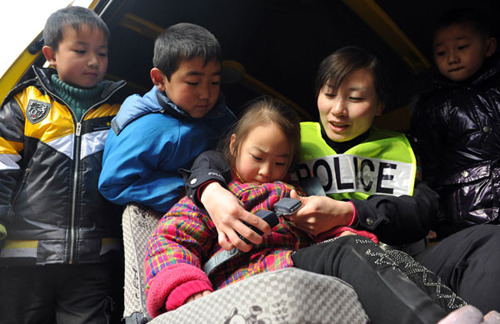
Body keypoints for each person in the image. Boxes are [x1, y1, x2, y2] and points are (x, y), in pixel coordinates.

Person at [184, 46, 500, 315]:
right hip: (324, 258)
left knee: (488, 240)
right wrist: (210, 190)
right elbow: (221, 156)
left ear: (379, 106)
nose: (338, 110)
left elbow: (423, 209)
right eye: (330, 94)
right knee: (351, 253)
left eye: (355, 98)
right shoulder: (292, 140)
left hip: (398, 255)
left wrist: (349, 213)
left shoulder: (398, 148)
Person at [0, 6, 126, 323]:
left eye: (102, 53)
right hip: (24, 256)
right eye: (81, 50)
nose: (94, 61)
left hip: (94, 257)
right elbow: (2, 168)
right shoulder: (25, 103)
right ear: (51, 54)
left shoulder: (120, 111)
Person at [98, 22, 236, 213]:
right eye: (193, 82)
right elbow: (114, 184)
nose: (205, 93)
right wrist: (188, 192)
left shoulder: (220, 113)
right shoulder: (145, 129)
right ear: (160, 80)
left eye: (214, 82)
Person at [410, 9, 499, 238]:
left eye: (462, 47)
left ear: (488, 47)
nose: (452, 58)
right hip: (467, 215)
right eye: (441, 52)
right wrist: (436, 221)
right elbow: (430, 169)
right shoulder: (432, 107)